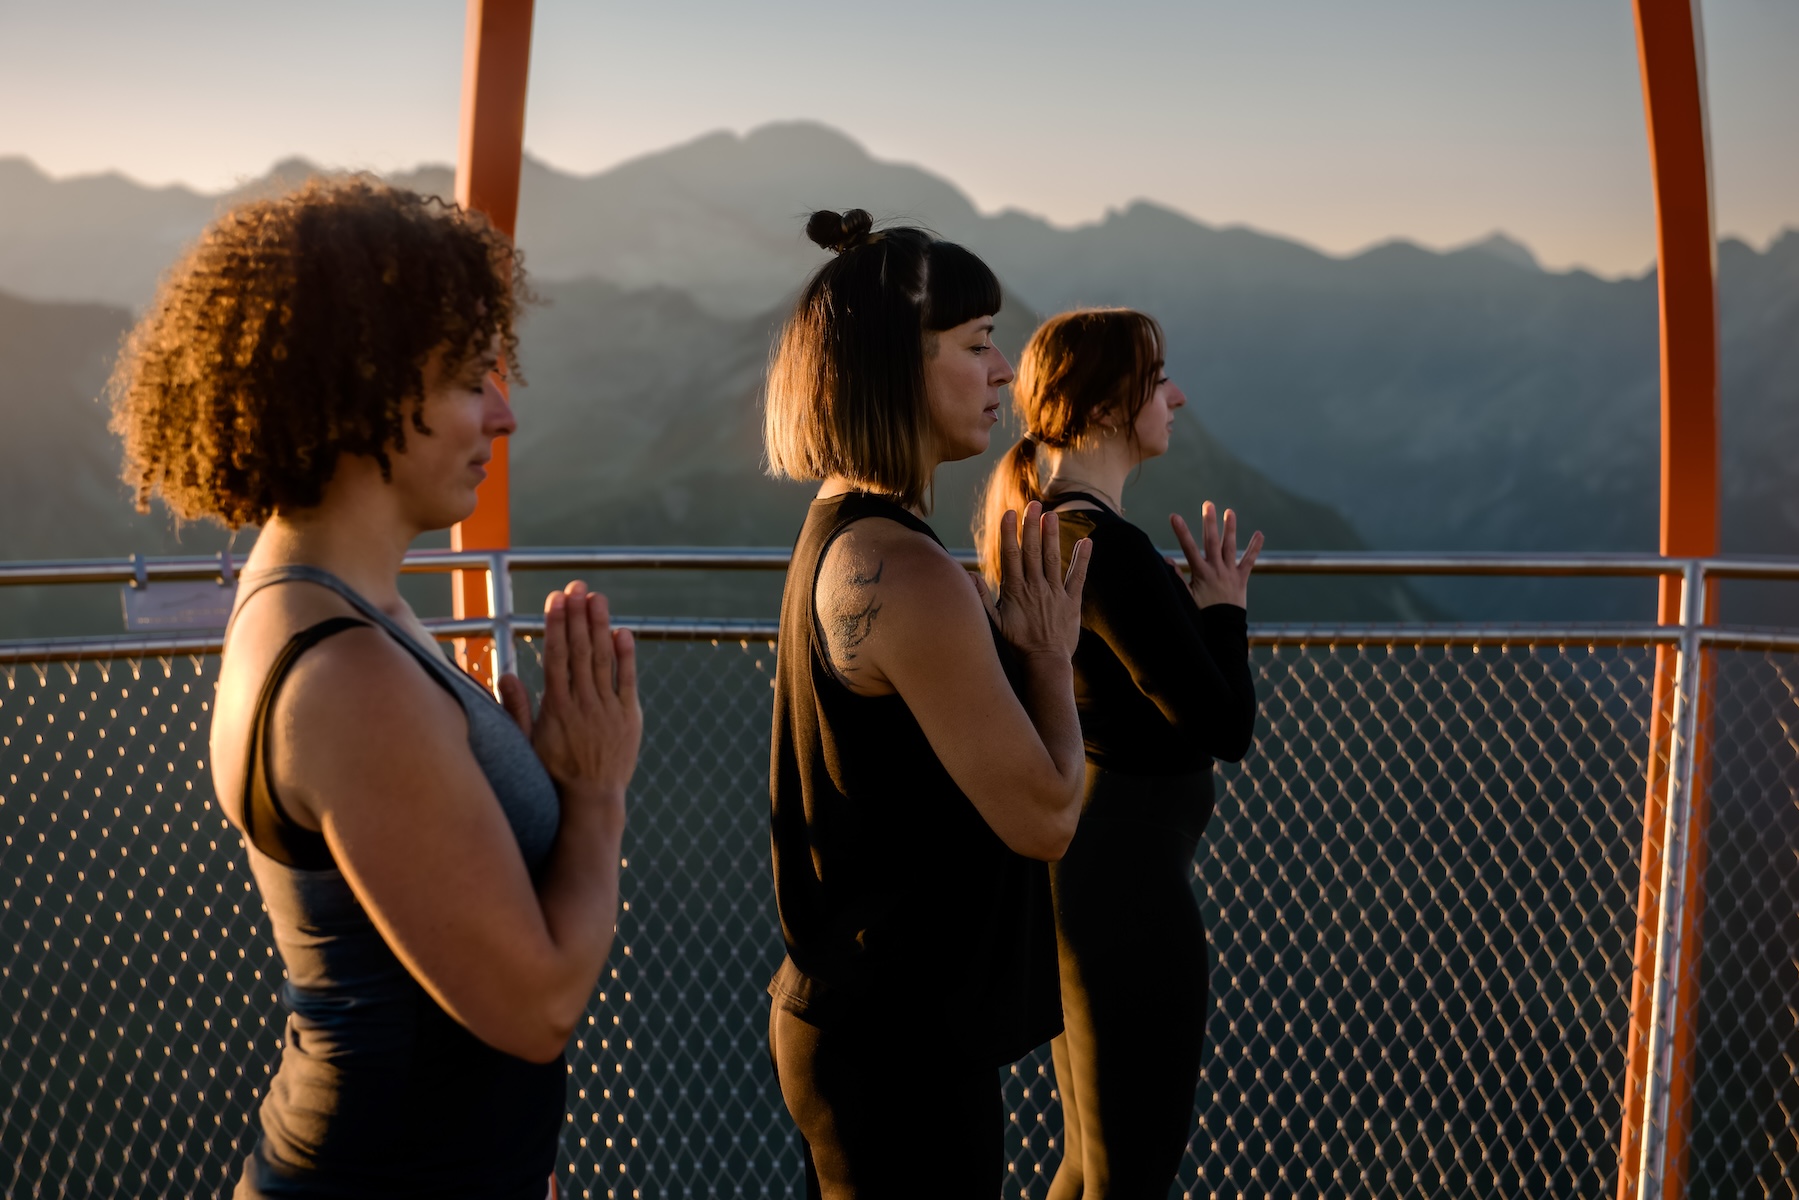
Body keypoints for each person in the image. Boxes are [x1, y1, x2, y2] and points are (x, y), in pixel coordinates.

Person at [109, 178, 643, 1199]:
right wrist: (597, 798)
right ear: (352, 391)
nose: (503, 412)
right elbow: (535, 1010)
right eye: (462, 378)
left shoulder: (336, 605)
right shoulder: (346, 672)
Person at [761, 208, 1093, 1199]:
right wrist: (1047, 657)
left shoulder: (844, 532)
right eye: (979, 343)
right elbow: (1045, 815)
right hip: (898, 1044)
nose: (1004, 373)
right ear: (892, 365)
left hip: (855, 1019)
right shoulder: (903, 569)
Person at [976, 308, 1261, 1199]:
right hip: (1129, 892)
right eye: (1159, 377)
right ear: (1105, 404)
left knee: (1093, 1165)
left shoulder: (1048, 522)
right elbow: (1226, 727)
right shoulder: (1110, 551)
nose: (1177, 395)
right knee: (1130, 1171)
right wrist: (1222, 609)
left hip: (1085, 876)